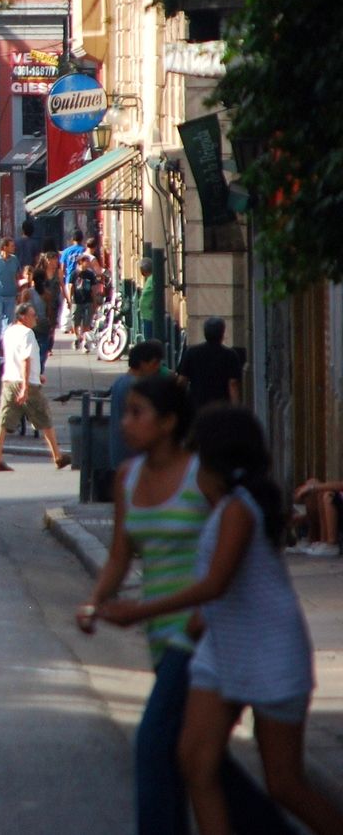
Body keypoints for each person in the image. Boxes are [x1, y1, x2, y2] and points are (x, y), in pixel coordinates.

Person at [99, 406, 339, 835]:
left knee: (284, 783)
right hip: (222, 646)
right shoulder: (226, 504)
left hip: (269, 651)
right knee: (195, 759)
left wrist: (136, 610)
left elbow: (216, 584)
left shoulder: (239, 510)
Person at [0, 301, 69, 472]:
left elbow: (13, 357)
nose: (36, 318)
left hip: (9, 380)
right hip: (26, 384)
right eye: (33, 315)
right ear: (23, 317)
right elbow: (25, 359)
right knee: (44, 419)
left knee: (3, 421)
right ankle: (58, 457)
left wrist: (36, 375)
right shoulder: (27, 334)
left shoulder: (9, 331)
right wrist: (27, 385)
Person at [110, 341, 169, 477]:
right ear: (144, 363)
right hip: (134, 455)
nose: (157, 369)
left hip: (121, 454)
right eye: (155, 364)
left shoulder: (120, 381)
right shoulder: (137, 387)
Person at [177, 317, 244, 413]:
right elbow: (233, 384)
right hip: (222, 407)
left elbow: (182, 380)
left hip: (197, 406)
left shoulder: (192, 352)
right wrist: (236, 410)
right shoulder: (230, 355)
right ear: (222, 333)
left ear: (205, 333)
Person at [71, 250, 102, 351]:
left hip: (88, 300)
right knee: (76, 321)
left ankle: (84, 341)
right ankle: (77, 337)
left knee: (87, 322)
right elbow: (71, 287)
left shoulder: (90, 275)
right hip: (77, 301)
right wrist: (70, 299)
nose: (88, 264)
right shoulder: (74, 274)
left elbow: (93, 288)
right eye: (86, 261)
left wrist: (94, 301)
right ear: (81, 262)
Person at [14, 219, 42, 286]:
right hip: (29, 273)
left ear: (23, 230)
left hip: (17, 271)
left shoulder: (15, 242)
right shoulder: (35, 243)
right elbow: (37, 259)